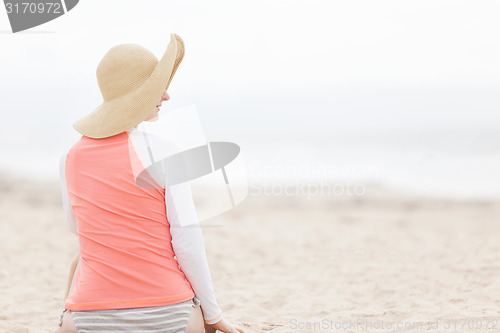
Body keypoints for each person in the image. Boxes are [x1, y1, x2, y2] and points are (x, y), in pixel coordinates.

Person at [56, 33, 244, 333]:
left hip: (88, 318)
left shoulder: (69, 157)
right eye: (157, 87)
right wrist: (214, 315)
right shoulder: (164, 151)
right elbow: (188, 245)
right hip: (169, 314)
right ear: (139, 94)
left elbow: (79, 228)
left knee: (80, 261)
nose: (166, 95)